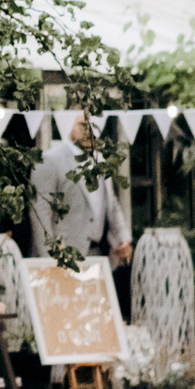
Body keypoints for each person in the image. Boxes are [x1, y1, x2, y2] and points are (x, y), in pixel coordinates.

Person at [29, 112, 133, 317]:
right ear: (70, 126)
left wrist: (123, 238)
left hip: (98, 257)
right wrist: (53, 261)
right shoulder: (49, 160)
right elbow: (40, 214)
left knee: (94, 322)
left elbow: (111, 203)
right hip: (64, 256)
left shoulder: (100, 161)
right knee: (65, 319)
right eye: (83, 125)